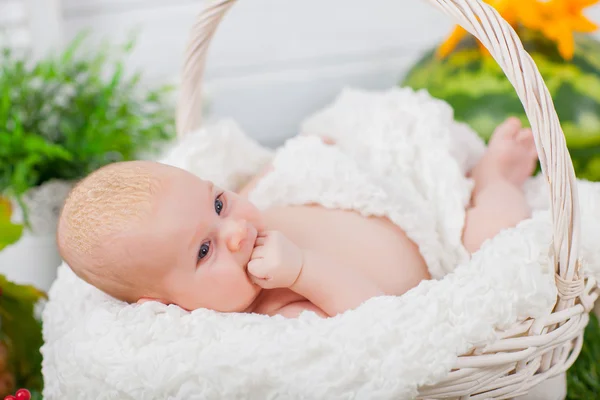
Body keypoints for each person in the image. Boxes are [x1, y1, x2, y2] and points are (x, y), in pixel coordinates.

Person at [56, 117, 537, 318]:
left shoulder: (240, 220)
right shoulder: (277, 311)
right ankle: (497, 179)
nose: (237, 232)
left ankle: (475, 171)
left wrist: (299, 159)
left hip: (402, 196)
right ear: (165, 306)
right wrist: (305, 270)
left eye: (219, 203)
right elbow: (378, 319)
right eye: (203, 250)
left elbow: (258, 186)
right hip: (442, 246)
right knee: (494, 235)